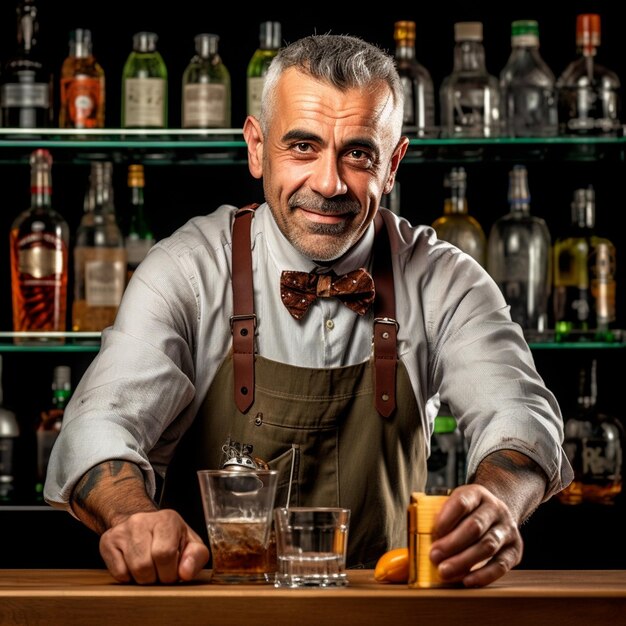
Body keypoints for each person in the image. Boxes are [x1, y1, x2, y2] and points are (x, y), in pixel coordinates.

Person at [45, 33, 573, 587]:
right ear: (256, 148)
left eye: (358, 153)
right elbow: (98, 425)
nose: (328, 183)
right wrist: (134, 516)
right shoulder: (186, 270)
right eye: (302, 146)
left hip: (388, 619)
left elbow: (521, 417)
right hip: (213, 617)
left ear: (393, 164)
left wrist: (496, 502)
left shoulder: (446, 279)